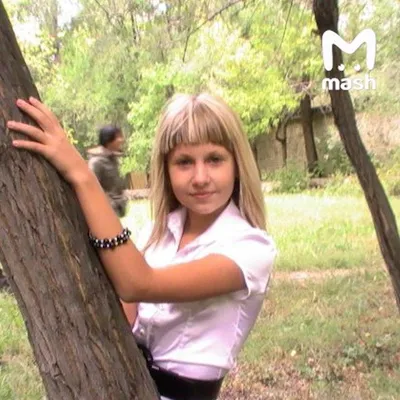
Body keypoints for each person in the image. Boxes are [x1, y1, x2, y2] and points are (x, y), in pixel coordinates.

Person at [7, 94, 277, 400]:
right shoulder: (160, 234)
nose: (200, 177)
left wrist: (81, 174)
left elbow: (137, 284)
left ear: (237, 165)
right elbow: (125, 314)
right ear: (166, 169)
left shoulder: (251, 249)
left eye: (215, 159)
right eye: (184, 162)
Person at [87, 125, 128, 217]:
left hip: (117, 208)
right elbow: (92, 187)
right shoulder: (96, 162)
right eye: (118, 137)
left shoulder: (112, 159)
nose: (121, 140)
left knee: (120, 231)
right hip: (106, 211)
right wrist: (108, 203)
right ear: (109, 140)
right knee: (117, 232)